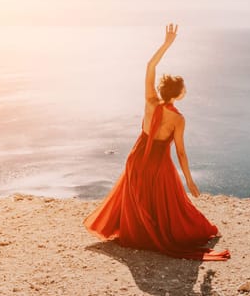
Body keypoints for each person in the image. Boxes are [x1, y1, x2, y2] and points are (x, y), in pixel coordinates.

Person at [83, 23, 230, 261]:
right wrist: (189, 180)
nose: (185, 91)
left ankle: (140, 235)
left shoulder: (150, 101)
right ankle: (157, 236)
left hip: (137, 159)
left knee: (138, 199)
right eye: (184, 88)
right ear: (179, 93)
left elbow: (150, 66)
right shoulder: (178, 119)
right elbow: (181, 153)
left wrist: (167, 43)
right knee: (168, 205)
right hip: (159, 164)